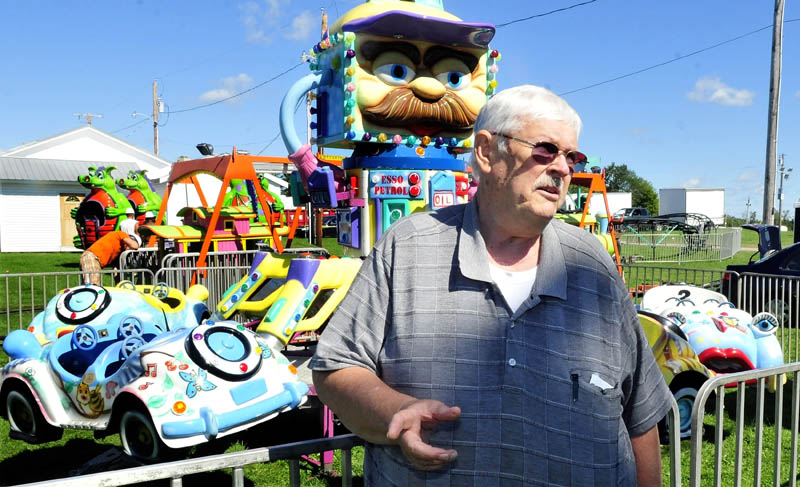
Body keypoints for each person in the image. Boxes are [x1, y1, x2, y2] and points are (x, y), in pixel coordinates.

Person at [310, 85, 672, 486]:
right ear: (486, 151)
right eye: (545, 150)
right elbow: (336, 366)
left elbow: (641, 412)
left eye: (573, 157)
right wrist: (394, 410)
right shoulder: (408, 247)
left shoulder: (593, 265)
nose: (563, 168)